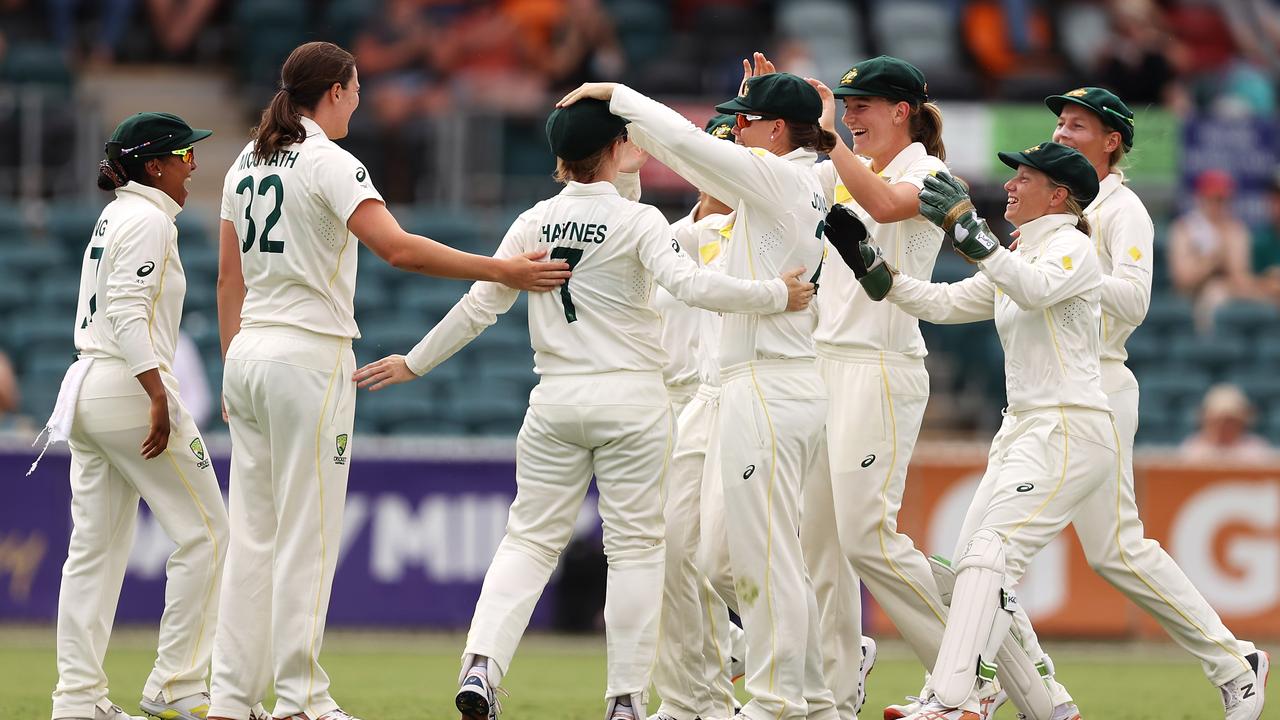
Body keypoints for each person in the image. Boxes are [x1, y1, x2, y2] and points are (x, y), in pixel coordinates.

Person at [351, 99, 814, 720]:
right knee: (634, 551)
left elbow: (480, 305)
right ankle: (624, 699)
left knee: (527, 542)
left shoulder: (533, 221)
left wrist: (414, 363)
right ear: (617, 147)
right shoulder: (640, 220)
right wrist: (774, 295)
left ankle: (483, 665)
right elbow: (693, 288)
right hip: (633, 402)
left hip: (556, 399)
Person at [207, 41, 571, 720]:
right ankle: (300, 699)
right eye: (357, 88)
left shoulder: (244, 159)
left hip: (249, 355)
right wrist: (505, 271)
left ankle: (228, 698)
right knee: (307, 537)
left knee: (252, 536)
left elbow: (229, 278)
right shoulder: (329, 162)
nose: (361, 98)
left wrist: (232, 365)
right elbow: (398, 248)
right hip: (306, 356)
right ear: (336, 92)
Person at [558, 71, 838, 720]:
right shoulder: (800, 179)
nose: (737, 131)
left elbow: (687, 144)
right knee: (720, 558)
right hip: (746, 384)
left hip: (765, 382)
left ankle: (781, 700)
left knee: (761, 555)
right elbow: (728, 151)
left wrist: (615, 95)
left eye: (748, 121)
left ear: (775, 130)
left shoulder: (785, 178)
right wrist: (787, 101)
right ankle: (767, 693)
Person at [998, 86, 1270, 720]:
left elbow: (1136, 301)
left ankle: (985, 691)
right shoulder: (1055, 211)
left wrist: (1073, 273)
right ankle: (1230, 663)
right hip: (1049, 390)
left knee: (1018, 550)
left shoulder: (1124, 210)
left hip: (1097, 385)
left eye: (1077, 126)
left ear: (1113, 140)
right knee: (1096, 550)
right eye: (1060, 124)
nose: (1063, 134)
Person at [830, 141, 1110, 720]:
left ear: (1059, 195)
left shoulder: (1073, 248)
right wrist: (874, 272)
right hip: (1022, 430)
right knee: (969, 577)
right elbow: (943, 303)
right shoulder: (1020, 253)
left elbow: (1030, 289)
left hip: (1070, 426)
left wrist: (967, 230)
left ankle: (955, 699)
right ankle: (1047, 704)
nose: (1010, 186)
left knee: (988, 559)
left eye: (1024, 178)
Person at [43, 111, 225, 720]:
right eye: (185, 156)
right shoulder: (149, 219)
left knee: (93, 553)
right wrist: (155, 393)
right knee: (207, 534)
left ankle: (77, 700)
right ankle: (177, 686)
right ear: (155, 166)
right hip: (128, 384)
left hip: (87, 386)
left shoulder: (115, 214)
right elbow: (125, 308)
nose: (192, 167)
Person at [649, 113, 748, 720]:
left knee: (708, 555)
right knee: (669, 554)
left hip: (720, 396)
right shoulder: (663, 235)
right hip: (666, 404)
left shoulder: (754, 235)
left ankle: (788, 657)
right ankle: (695, 694)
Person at [1169, 169, 1261, 332]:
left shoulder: (1235, 229)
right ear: (1201, 199)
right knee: (1214, 293)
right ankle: (1209, 346)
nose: (1219, 205)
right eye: (1214, 199)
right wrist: (1213, 258)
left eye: (1224, 199)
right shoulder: (1186, 228)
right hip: (1192, 296)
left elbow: (1241, 278)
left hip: (1232, 291)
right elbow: (1182, 280)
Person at [1181, 383, 1275, 463]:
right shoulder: (1192, 448)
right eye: (1217, 420)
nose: (1222, 426)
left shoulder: (1258, 450)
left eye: (1229, 421)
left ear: (1241, 422)